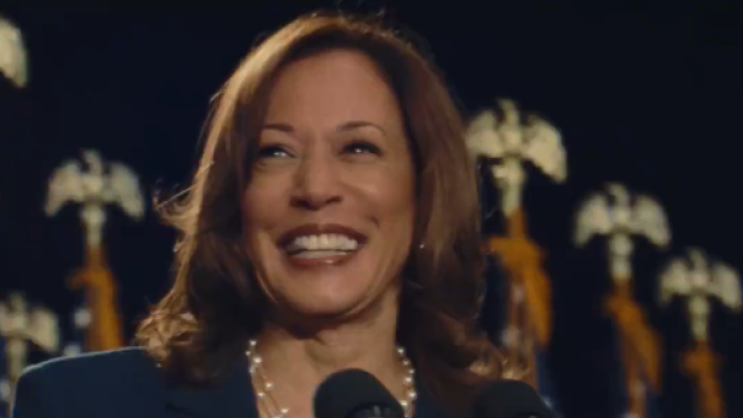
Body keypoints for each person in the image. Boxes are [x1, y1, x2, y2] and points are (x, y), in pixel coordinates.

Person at [11, 10, 505, 418]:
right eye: (276, 152)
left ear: (425, 191)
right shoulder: (79, 404)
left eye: (358, 148)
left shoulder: (496, 413)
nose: (315, 189)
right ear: (236, 198)